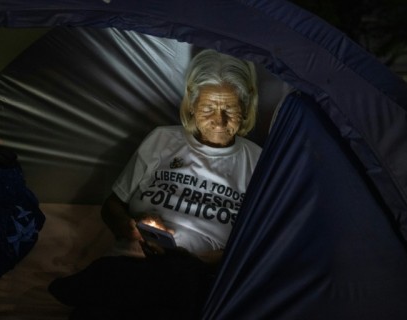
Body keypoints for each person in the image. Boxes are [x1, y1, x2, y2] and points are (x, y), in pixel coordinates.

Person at [48, 49, 262, 320]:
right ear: (192, 106)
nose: (219, 121)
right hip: (134, 258)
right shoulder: (162, 140)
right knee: (125, 285)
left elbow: (259, 241)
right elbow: (112, 206)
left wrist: (206, 260)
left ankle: (91, 287)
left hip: (195, 271)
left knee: (175, 280)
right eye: (208, 108)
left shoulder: (257, 161)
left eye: (229, 109)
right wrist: (131, 228)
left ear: (244, 109)